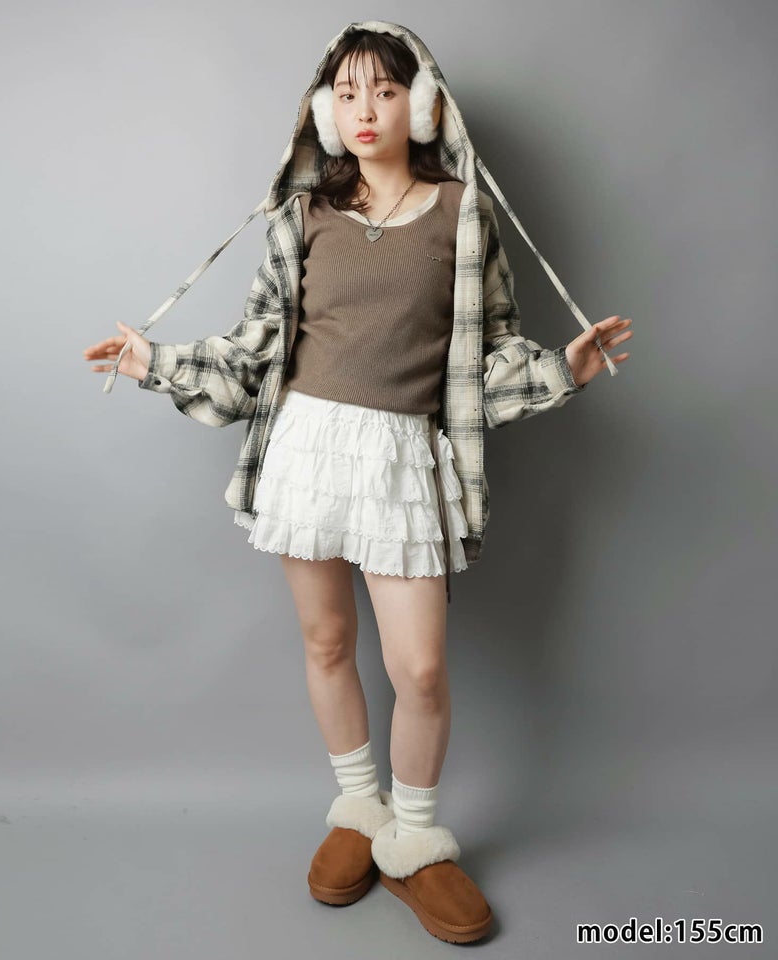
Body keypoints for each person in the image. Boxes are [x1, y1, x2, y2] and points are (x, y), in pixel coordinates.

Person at [83, 20, 632, 944]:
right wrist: (154, 363)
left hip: (402, 459)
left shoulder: (462, 215)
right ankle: (359, 809)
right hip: (305, 449)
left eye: (383, 89)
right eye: (345, 93)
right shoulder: (301, 217)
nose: (364, 108)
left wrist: (563, 370)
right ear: (325, 112)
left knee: (419, 668)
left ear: (423, 105)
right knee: (329, 641)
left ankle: (413, 840)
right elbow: (254, 353)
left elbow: (489, 356)